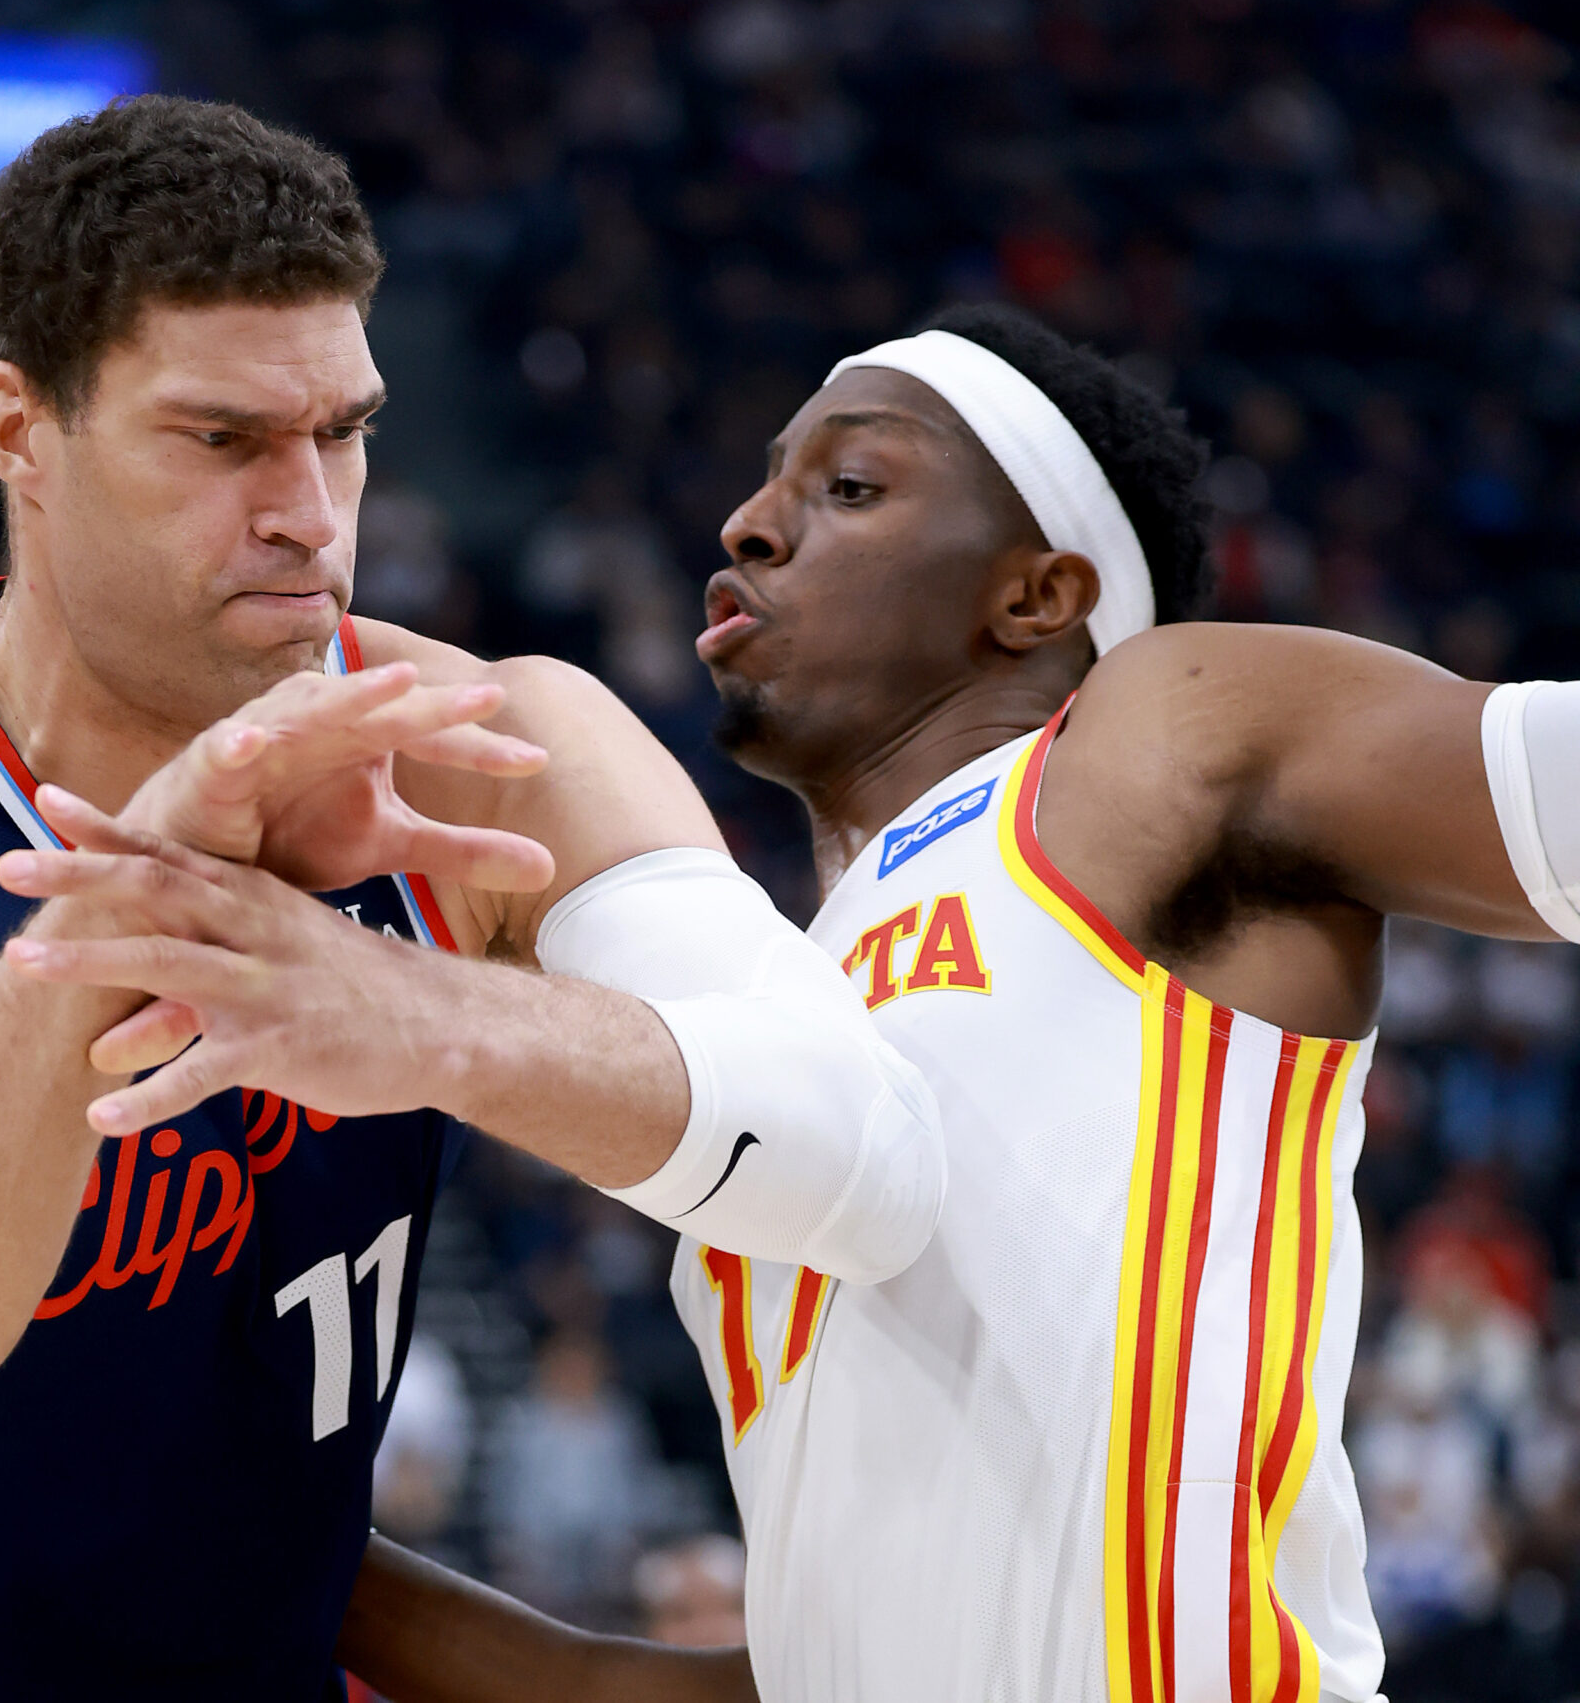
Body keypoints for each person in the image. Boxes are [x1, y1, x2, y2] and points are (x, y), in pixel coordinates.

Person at [0, 96, 941, 1702]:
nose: (309, 512)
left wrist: (418, 1014)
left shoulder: (478, 751)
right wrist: (116, 925)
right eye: (223, 440)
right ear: (19, 430)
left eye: (345, 433)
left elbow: (862, 1151)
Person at [321, 303, 1577, 1701]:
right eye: (767, 481)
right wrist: (276, 1530)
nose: (746, 524)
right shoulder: (778, 1018)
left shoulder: (1144, 739)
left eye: (850, 485)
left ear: (1036, 597)